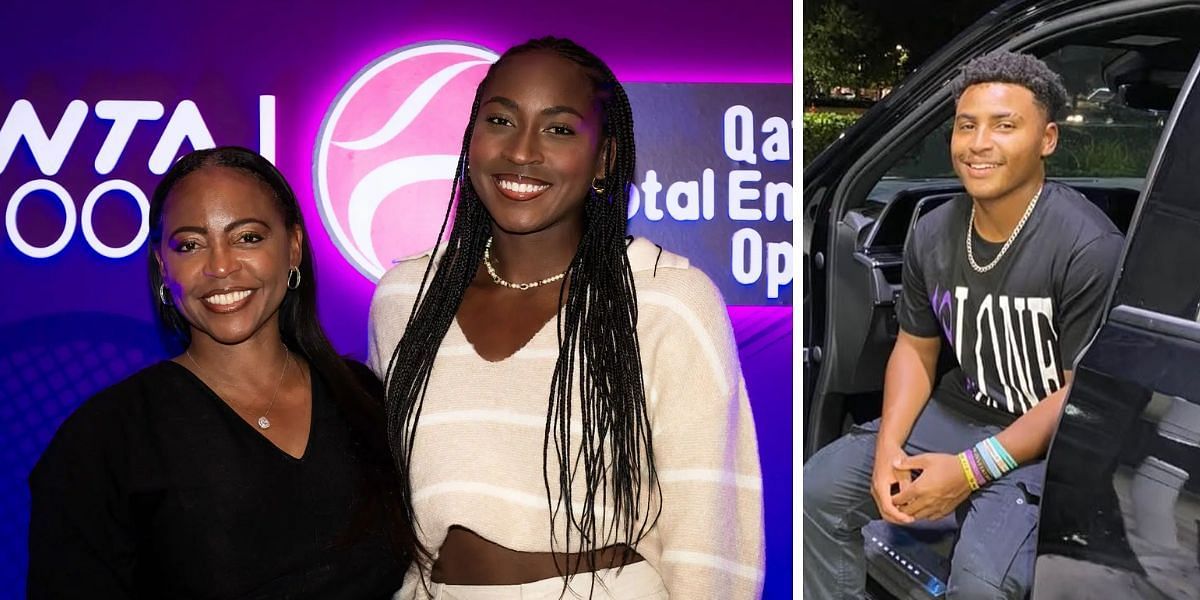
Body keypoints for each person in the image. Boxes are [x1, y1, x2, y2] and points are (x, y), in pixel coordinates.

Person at [368, 37, 764, 599]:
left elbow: (710, 539)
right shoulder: (406, 297)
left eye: (558, 129)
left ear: (604, 157)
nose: (522, 151)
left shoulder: (668, 301)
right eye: (500, 120)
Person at [803, 50, 1125, 598]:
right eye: (966, 125)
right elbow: (915, 348)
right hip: (957, 410)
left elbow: (1078, 392)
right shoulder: (931, 230)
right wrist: (888, 449)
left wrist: (971, 471)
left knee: (979, 585)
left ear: (1046, 139)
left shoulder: (1088, 246)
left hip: (1047, 442)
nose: (979, 143)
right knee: (818, 495)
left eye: (1005, 126)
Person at [28, 146, 409, 598]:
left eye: (247, 237)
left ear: (293, 247)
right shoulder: (104, 440)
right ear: (163, 267)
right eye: (190, 245)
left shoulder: (366, 400)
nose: (221, 266)